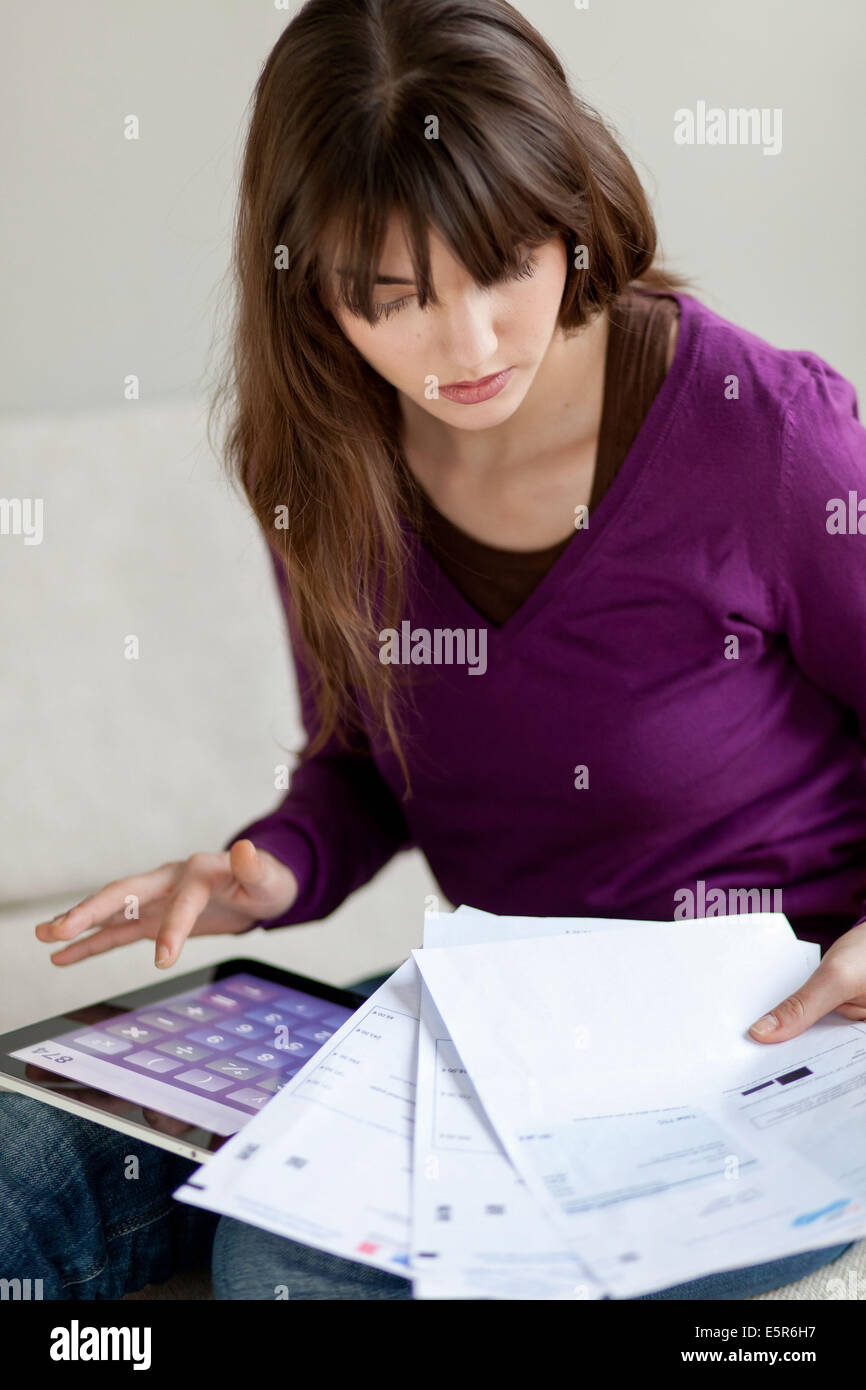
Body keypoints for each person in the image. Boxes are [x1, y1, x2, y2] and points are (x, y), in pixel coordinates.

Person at [5, 0, 865, 1299]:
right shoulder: (318, 462)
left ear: (569, 208)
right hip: (501, 1017)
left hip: (765, 1034)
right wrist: (262, 867)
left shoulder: (767, 437)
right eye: (390, 296)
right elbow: (363, 763)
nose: (463, 346)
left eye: (504, 262)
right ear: (312, 283)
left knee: (285, 1272)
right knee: (26, 1155)